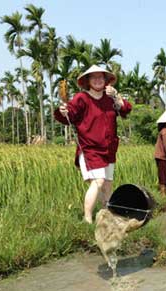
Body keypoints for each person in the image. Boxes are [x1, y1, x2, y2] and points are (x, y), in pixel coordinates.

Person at [54, 65, 132, 223]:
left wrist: (116, 96)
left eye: (100, 77)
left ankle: (107, 216)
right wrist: (64, 111)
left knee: (108, 184)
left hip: (109, 148)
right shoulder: (81, 98)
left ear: (105, 81)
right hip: (90, 149)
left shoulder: (109, 98)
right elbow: (69, 115)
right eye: (94, 77)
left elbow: (125, 109)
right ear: (88, 81)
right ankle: (87, 218)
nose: (97, 80)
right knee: (98, 181)